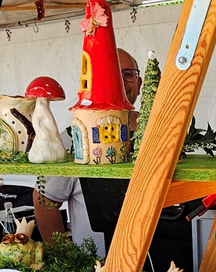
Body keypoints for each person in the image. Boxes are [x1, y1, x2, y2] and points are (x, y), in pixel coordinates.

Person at [33, 48, 141, 255]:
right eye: (108, 74)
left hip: (160, 262)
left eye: (127, 74)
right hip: (94, 264)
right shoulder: (72, 139)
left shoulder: (158, 132)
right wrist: (64, 258)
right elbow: (45, 201)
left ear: (139, 83)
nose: (118, 82)